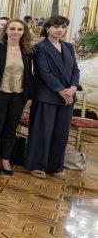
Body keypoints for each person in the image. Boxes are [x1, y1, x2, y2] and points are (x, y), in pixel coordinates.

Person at [25, 15, 79, 179]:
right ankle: (37, 165)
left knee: (61, 133)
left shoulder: (69, 47)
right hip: (47, 95)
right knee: (42, 131)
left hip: (68, 97)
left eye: (63, 27)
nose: (60, 30)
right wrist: (61, 90)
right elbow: (43, 71)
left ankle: (56, 166)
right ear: (47, 28)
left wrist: (73, 88)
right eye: (56, 27)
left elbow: (75, 70)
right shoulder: (40, 47)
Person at [0, 19, 34, 175]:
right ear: (5, 30)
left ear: (24, 32)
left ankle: (5, 159)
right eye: (12, 28)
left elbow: (31, 76)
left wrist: (30, 97)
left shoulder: (28, 50)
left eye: (19, 29)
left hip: (18, 95)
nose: (16, 32)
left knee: (11, 129)